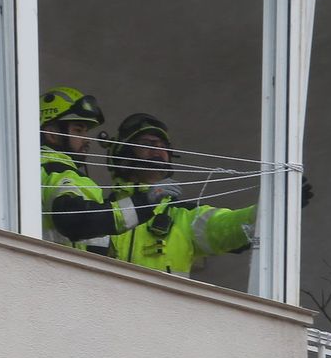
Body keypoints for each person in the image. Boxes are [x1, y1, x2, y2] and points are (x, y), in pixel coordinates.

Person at [107, 112, 311, 278]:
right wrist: (142, 202)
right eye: (149, 143)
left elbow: (230, 227)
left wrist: (273, 209)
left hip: (161, 323)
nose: (158, 151)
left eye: (163, 147)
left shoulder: (184, 217)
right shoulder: (100, 210)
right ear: (124, 153)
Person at [39, 86, 166, 254]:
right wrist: (142, 204)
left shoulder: (42, 170)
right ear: (52, 134)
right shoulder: (56, 171)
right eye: (78, 130)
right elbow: (74, 219)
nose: (86, 140)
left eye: (86, 131)